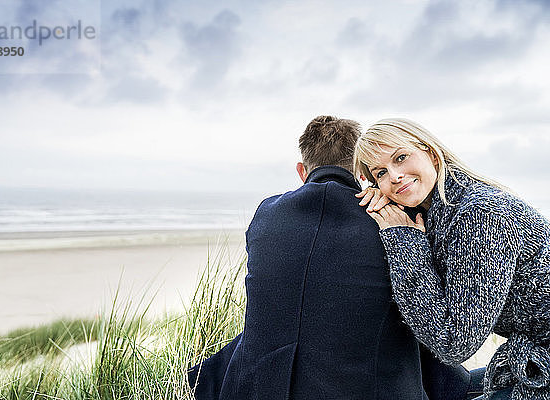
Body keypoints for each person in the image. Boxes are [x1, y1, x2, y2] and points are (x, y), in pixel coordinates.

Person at [188, 116, 483, 399]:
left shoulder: (266, 213)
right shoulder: (392, 219)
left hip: (258, 386)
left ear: (302, 171)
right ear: (361, 173)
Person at [353, 118, 550, 400]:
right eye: (381, 173)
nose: (395, 176)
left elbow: (454, 343)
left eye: (401, 157)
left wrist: (403, 240)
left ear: (431, 154)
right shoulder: (439, 210)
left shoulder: (479, 215)